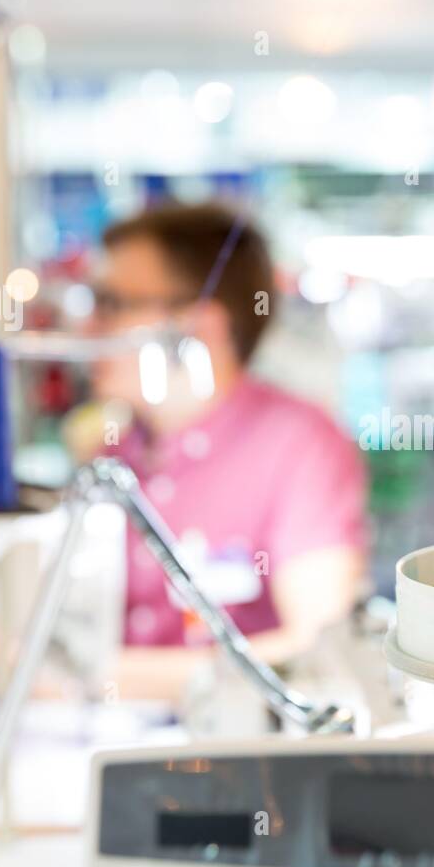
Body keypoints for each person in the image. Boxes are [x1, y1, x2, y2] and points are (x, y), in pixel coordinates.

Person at [84, 202, 367, 704]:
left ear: (199, 326)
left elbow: (315, 645)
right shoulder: (113, 452)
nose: (90, 328)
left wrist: (100, 678)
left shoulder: (298, 445)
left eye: (111, 303)